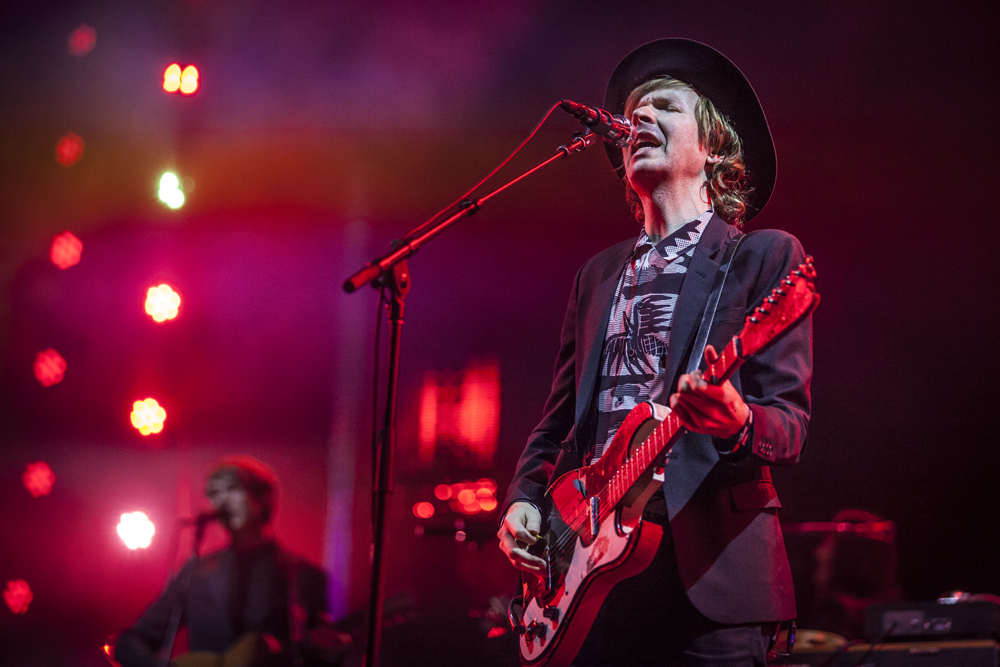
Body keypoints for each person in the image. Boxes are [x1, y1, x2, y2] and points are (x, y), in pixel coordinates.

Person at [497, 39, 813, 665]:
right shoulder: (597, 275)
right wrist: (523, 501)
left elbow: (790, 425)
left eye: (664, 106)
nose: (638, 119)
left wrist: (737, 423)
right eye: (633, 112)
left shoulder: (762, 258)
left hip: (710, 577)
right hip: (591, 577)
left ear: (714, 146)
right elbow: (557, 422)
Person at [115, 456, 348, 667]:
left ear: (263, 498)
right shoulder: (197, 572)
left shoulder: (304, 576)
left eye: (232, 489)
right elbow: (131, 641)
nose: (221, 501)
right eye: (214, 494)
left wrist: (331, 651)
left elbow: (325, 654)